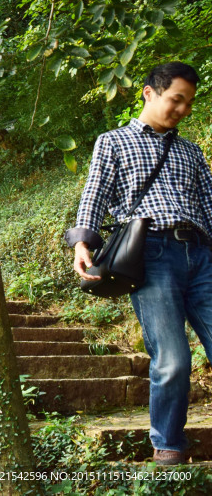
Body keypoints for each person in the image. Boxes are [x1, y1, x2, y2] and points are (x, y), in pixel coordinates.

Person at [68, 61, 212, 466]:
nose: (182, 109)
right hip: (151, 256)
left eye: (188, 103)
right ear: (149, 92)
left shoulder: (191, 151)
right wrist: (83, 243)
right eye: (175, 99)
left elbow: (209, 205)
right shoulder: (113, 141)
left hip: (201, 254)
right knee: (173, 358)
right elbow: (95, 193)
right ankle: (169, 444)